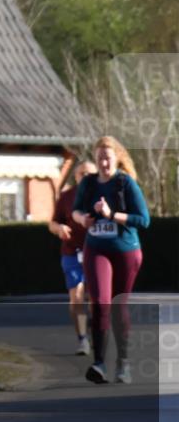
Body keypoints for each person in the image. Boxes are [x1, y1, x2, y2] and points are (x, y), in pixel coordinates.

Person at [72, 136, 150, 385]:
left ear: (117, 158)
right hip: (96, 248)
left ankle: (123, 364)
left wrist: (111, 215)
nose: (104, 162)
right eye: (99, 158)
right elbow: (75, 209)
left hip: (126, 250)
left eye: (108, 157)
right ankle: (99, 364)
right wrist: (82, 219)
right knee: (101, 303)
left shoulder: (125, 183)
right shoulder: (88, 183)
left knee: (117, 306)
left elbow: (144, 220)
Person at [48, 160, 97, 356]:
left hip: (98, 252)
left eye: (89, 174)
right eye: (81, 174)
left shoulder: (104, 195)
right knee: (76, 297)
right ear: (75, 177)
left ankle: (97, 332)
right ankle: (82, 339)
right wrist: (59, 229)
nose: (85, 177)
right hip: (72, 252)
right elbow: (52, 222)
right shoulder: (67, 197)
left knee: (96, 298)